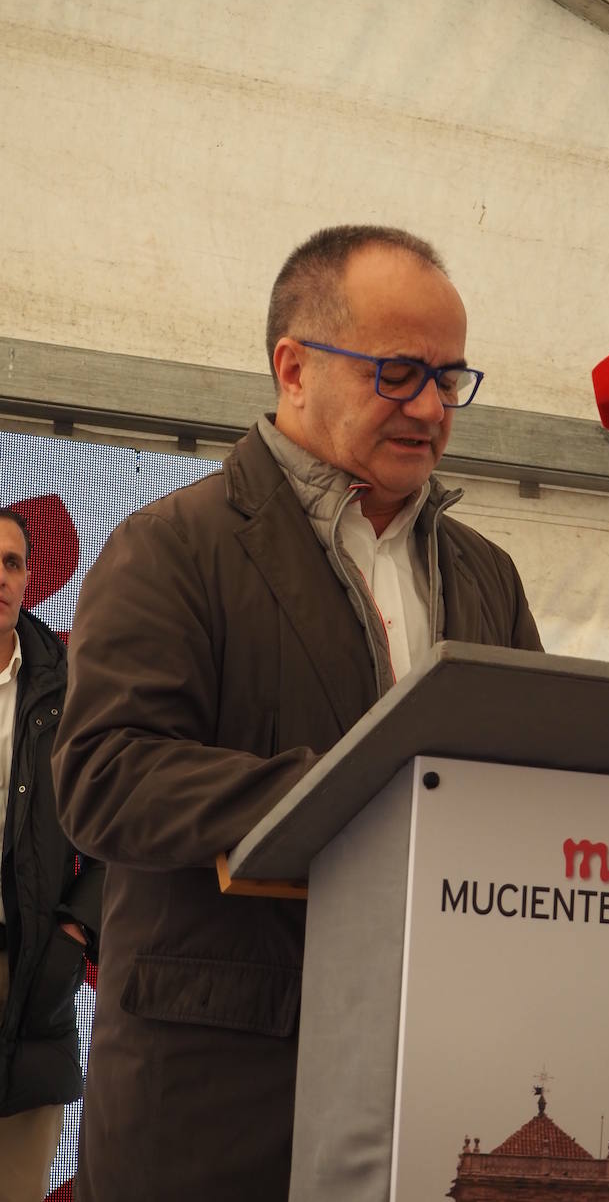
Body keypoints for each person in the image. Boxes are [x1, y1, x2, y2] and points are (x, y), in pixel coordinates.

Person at [52, 225, 542, 1202]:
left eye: (451, 379)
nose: (431, 407)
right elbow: (104, 776)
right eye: (399, 372)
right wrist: (354, 796)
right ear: (294, 367)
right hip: (220, 1106)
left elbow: (527, 782)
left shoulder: (485, 576)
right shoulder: (172, 547)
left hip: (438, 1088)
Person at [0, 507, 103, 1202]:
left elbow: (117, 822)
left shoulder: (74, 691)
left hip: (32, 968)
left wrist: (76, 933)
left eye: (11, 562)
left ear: (31, 578)